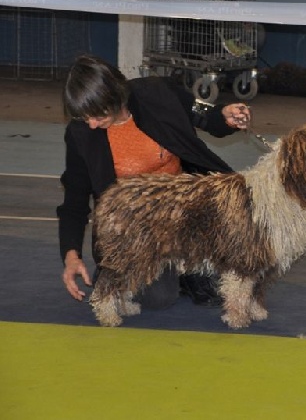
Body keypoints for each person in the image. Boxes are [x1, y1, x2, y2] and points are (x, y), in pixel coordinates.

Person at [58, 55, 252, 308]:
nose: (92, 125)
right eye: (85, 117)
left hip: (186, 208)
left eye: (97, 115)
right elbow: (75, 201)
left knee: (238, 265)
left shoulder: (157, 94)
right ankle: (145, 268)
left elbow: (202, 114)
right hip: (133, 228)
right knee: (159, 297)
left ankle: (187, 261)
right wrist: (71, 256)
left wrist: (225, 115)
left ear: (115, 95)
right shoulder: (80, 134)